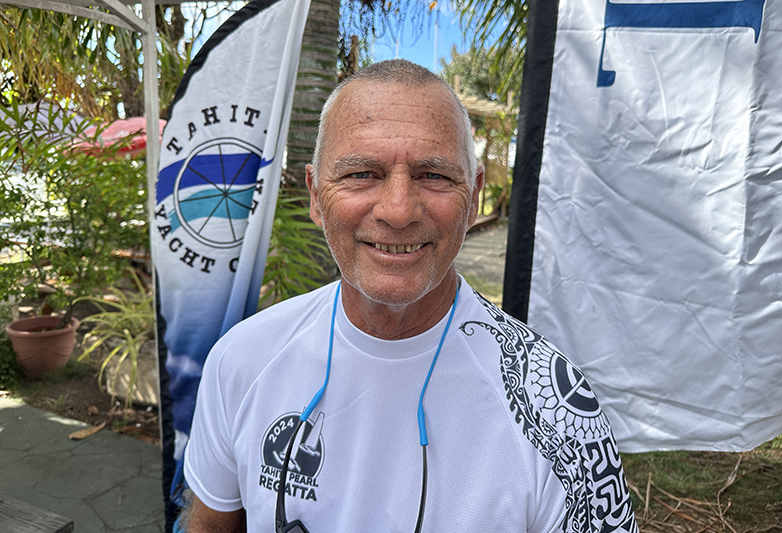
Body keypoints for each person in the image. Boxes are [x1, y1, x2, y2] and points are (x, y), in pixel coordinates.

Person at [180, 59, 638, 532]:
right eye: (362, 173)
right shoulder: (243, 360)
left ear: (475, 197)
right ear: (316, 196)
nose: (398, 211)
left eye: (433, 175)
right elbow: (212, 524)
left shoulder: (555, 408)